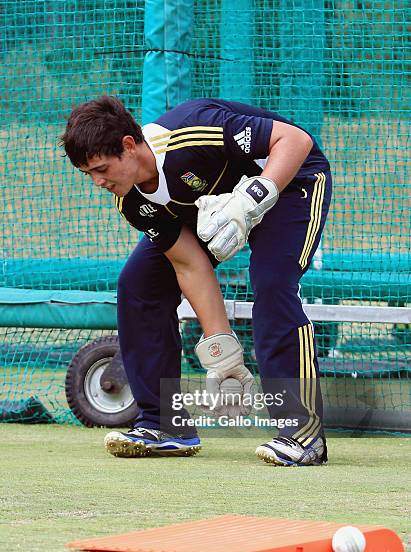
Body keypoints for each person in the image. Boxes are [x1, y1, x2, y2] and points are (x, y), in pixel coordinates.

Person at [61, 96, 332, 466]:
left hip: (289, 181)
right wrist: (224, 359)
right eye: (88, 174)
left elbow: (295, 140)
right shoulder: (132, 201)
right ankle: (164, 426)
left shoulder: (192, 133)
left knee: (272, 284)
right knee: (140, 285)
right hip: (210, 206)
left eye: (102, 168)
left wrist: (252, 199)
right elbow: (190, 265)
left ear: (128, 145)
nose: (98, 182)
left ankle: (302, 434)